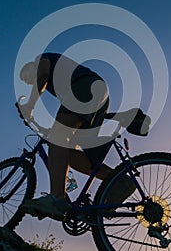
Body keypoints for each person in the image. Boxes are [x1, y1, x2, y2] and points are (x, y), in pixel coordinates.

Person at [18, 52, 135, 220]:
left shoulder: (41, 59)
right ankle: (120, 182)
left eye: (26, 77)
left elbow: (42, 76)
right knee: (65, 152)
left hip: (85, 88)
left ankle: (57, 199)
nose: (28, 81)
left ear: (31, 67)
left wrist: (29, 105)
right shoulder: (61, 82)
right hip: (98, 96)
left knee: (58, 137)